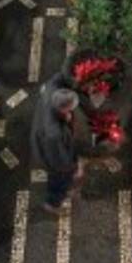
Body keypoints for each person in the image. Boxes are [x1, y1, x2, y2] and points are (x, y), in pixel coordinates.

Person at [31, 85, 82, 214]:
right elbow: (59, 161)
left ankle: (65, 189)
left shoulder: (49, 97)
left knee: (63, 178)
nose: (72, 111)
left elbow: (53, 81)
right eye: (70, 108)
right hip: (53, 160)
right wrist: (75, 167)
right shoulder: (54, 134)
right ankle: (53, 203)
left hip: (42, 140)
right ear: (63, 109)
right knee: (59, 181)